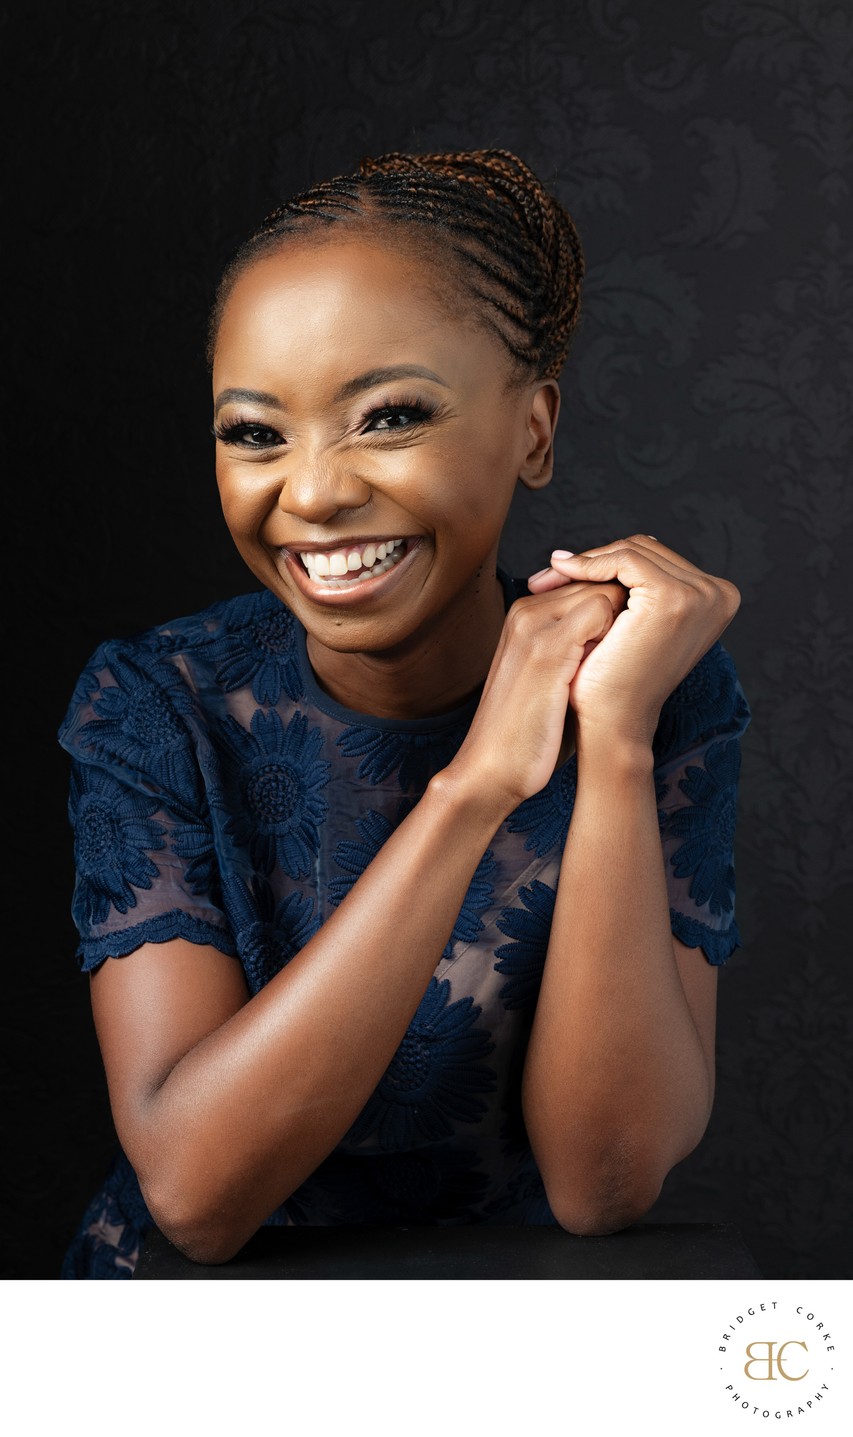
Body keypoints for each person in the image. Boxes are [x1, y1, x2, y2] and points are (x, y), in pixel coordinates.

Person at [58, 148, 750, 1279]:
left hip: (503, 1337)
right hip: (192, 1349)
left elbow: (602, 1180)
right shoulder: (157, 703)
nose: (315, 491)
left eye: (387, 417)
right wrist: (478, 787)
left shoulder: (655, 685)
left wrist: (613, 744)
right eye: (254, 432)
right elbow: (195, 1196)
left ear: (532, 430)